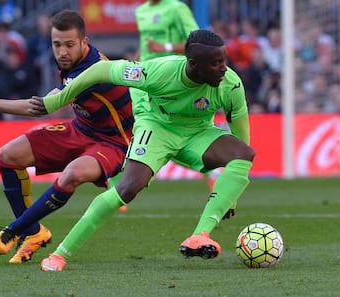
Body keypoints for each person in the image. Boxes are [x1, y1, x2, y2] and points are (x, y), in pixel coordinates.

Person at [23, 29, 255, 271]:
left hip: (198, 133)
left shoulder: (231, 84)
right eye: (216, 63)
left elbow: (242, 135)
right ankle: (60, 255)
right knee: (128, 188)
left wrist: (232, 196)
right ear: (194, 64)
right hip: (156, 127)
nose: (223, 68)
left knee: (244, 153)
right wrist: (56, 101)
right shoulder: (159, 72)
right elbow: (101, 70)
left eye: (224, 60)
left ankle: (200, 235)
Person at [0, 10, 133, 264]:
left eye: (69, 45)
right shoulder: (70, 61)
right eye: (57, 44)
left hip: (113, 142)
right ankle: (34, 233)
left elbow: (38, 108)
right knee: (7, 156)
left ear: (85, 42)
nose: (62, 52)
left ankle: (13, 230)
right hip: (81, 128)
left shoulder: (92, 69)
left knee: (72, 175)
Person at [134, 0, 220, 189]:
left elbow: (199, 45)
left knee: (174, 133)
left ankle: (211, 170)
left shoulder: (177, 8)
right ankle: (126, 181)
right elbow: (146, 44)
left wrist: (164, 47)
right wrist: (134, 62)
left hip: (171, 79)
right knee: (136, 124)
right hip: (145, 78)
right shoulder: (141, 11)